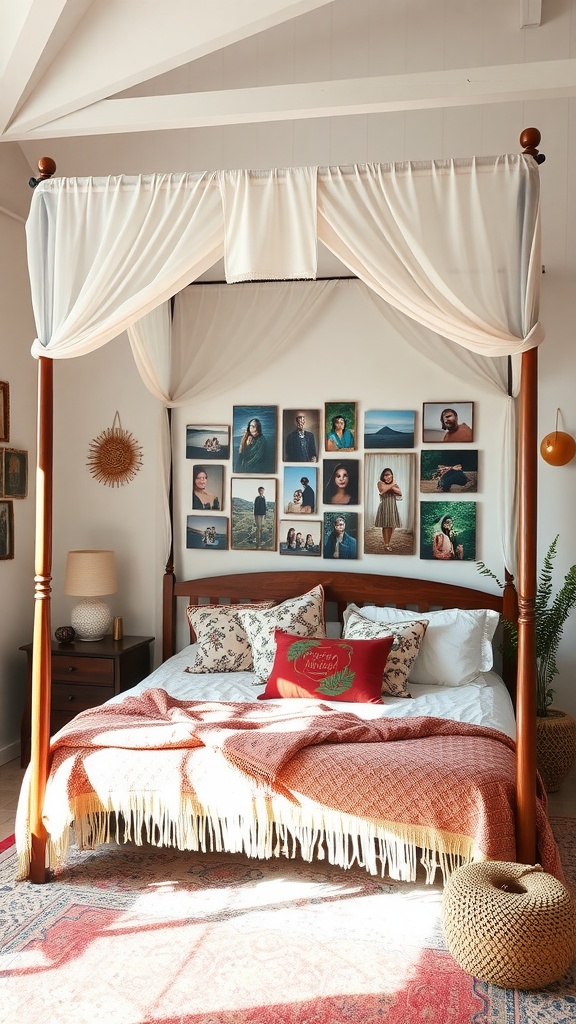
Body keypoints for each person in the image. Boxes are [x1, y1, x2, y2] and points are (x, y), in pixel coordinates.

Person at [374, 467, 402, 552]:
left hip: (393, 506)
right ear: (383, 476)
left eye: (389, 474)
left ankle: (388, 542)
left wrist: (391, 486)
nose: (388, 477)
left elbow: (400, 493)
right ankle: (386, 544)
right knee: (386, 525)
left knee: (392, 525)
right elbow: (382, 490)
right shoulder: (380, 483)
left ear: (392, 475)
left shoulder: (393, 484)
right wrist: (392, 484)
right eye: (386, 475)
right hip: (385, 506)